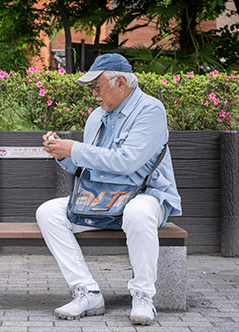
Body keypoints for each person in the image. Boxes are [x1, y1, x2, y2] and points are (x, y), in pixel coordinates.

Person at [36, 53, 181, 325]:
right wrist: (62, 154)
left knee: (138, 212)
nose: (94, 94)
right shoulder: (96, 117)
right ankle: (86, 292)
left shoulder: (151, 110)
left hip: (146, 196)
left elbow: (127, 162)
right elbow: (89, 168)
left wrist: (75, 148)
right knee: (48, 212)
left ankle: (143, 297)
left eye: (97, 86)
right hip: (103, 198)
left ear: (121, 83)